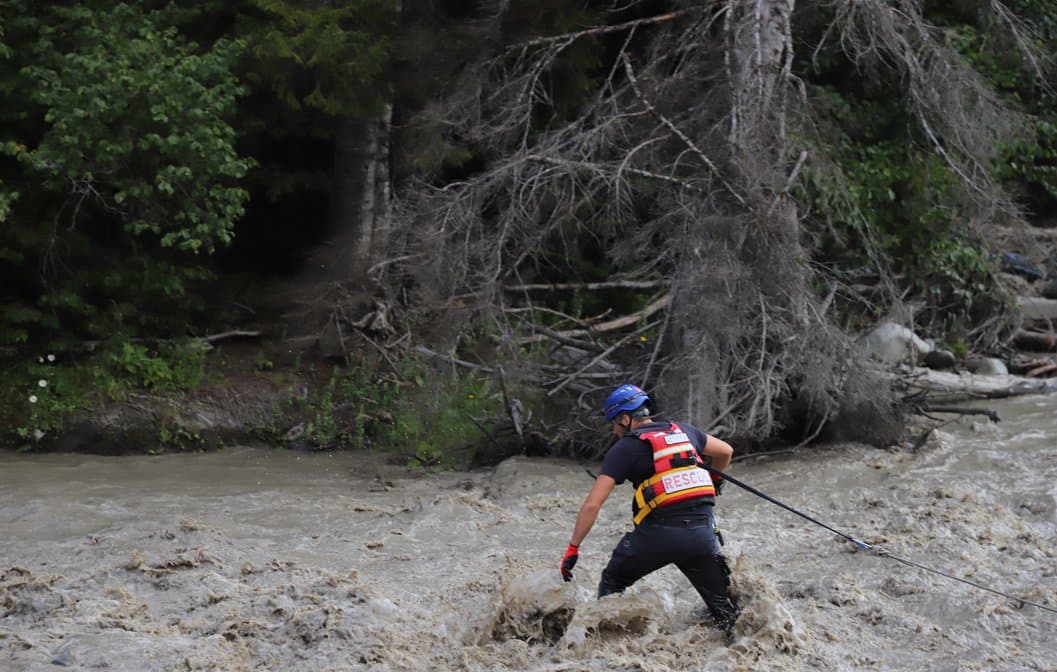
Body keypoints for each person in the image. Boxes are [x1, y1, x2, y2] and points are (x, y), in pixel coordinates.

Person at [558, 383, 740, 634]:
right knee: (726, 614)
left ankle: (607, 646)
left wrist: (573, 548)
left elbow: (592, 505)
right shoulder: (685, 432)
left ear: (625, 418)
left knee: (613, 580)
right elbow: (726, 452)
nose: (614, 431)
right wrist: (715, 481)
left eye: (614, 423)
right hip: (702, 537)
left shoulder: (624, 449)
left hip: (657, 537)